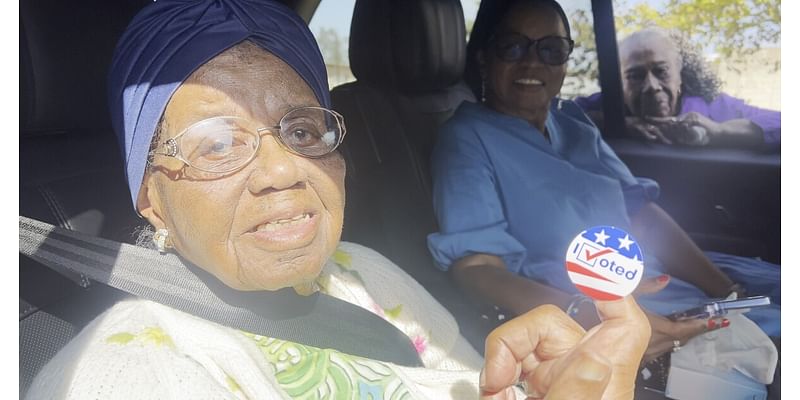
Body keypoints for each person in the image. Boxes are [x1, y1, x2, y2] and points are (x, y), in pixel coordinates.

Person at [24, 1, 651, 399]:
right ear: (151, 197)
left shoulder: (363, 269)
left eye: (302, 130)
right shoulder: (134, 374)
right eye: (214, 144)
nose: (282, 171)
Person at [428, 0, 780, 366]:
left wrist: (727, 290)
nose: (532, 62)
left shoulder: (574, 122)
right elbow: (477, 268)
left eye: (551, 49)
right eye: (512, 45)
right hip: (580, 302)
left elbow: (640, 211)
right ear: (484, 57)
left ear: (565, 62)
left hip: (652, 275)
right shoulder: (466, 138)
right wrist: (586, 316)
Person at [575, 28, 780, 147]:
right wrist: (618, 123)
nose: (651, 86)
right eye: (635, 76)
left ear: (680, 77)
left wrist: (720, 131)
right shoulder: (605, 105)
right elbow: (554, 116)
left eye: (661, 71)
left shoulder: (714, 108)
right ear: (620, 85)